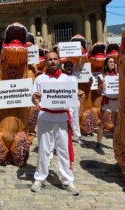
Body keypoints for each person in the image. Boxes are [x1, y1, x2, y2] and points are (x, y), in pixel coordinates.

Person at [31, 52, 79, 196]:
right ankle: (40, 177)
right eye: (49, 59)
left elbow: (72, 99)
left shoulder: (67, 79)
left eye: (55, 59)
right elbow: (34, 98)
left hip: (61, 118)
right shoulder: (40, 79)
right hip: (45, 117)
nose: (52, 61)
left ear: (59, 61)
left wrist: (70, 114)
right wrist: (36, 100)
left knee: (63, 150)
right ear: (45, 62)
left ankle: (67, 180)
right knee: (44, 150)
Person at [96, 56, 118, 155]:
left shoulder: (119, 75)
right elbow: (98, 91)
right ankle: (99, 144)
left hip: (117, 102)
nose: (112, 63)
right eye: (110, 62)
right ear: (106, 64)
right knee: (103, 124)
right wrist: (101, 87)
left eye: (113, 62)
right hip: (107, 102)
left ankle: (117, 144)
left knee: (117, 125)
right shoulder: (102, 76)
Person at [63, 60, 85, 147]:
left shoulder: (75, 75)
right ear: (64, 68)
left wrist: (80, 56)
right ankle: (65, 137)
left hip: (74, 101)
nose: (69, 68)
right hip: (64, 101)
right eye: (67, 66)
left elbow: (81, 64)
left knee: (75, 120)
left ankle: (77, 137)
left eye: (70, 66)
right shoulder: (61, 76)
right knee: (65, 119)